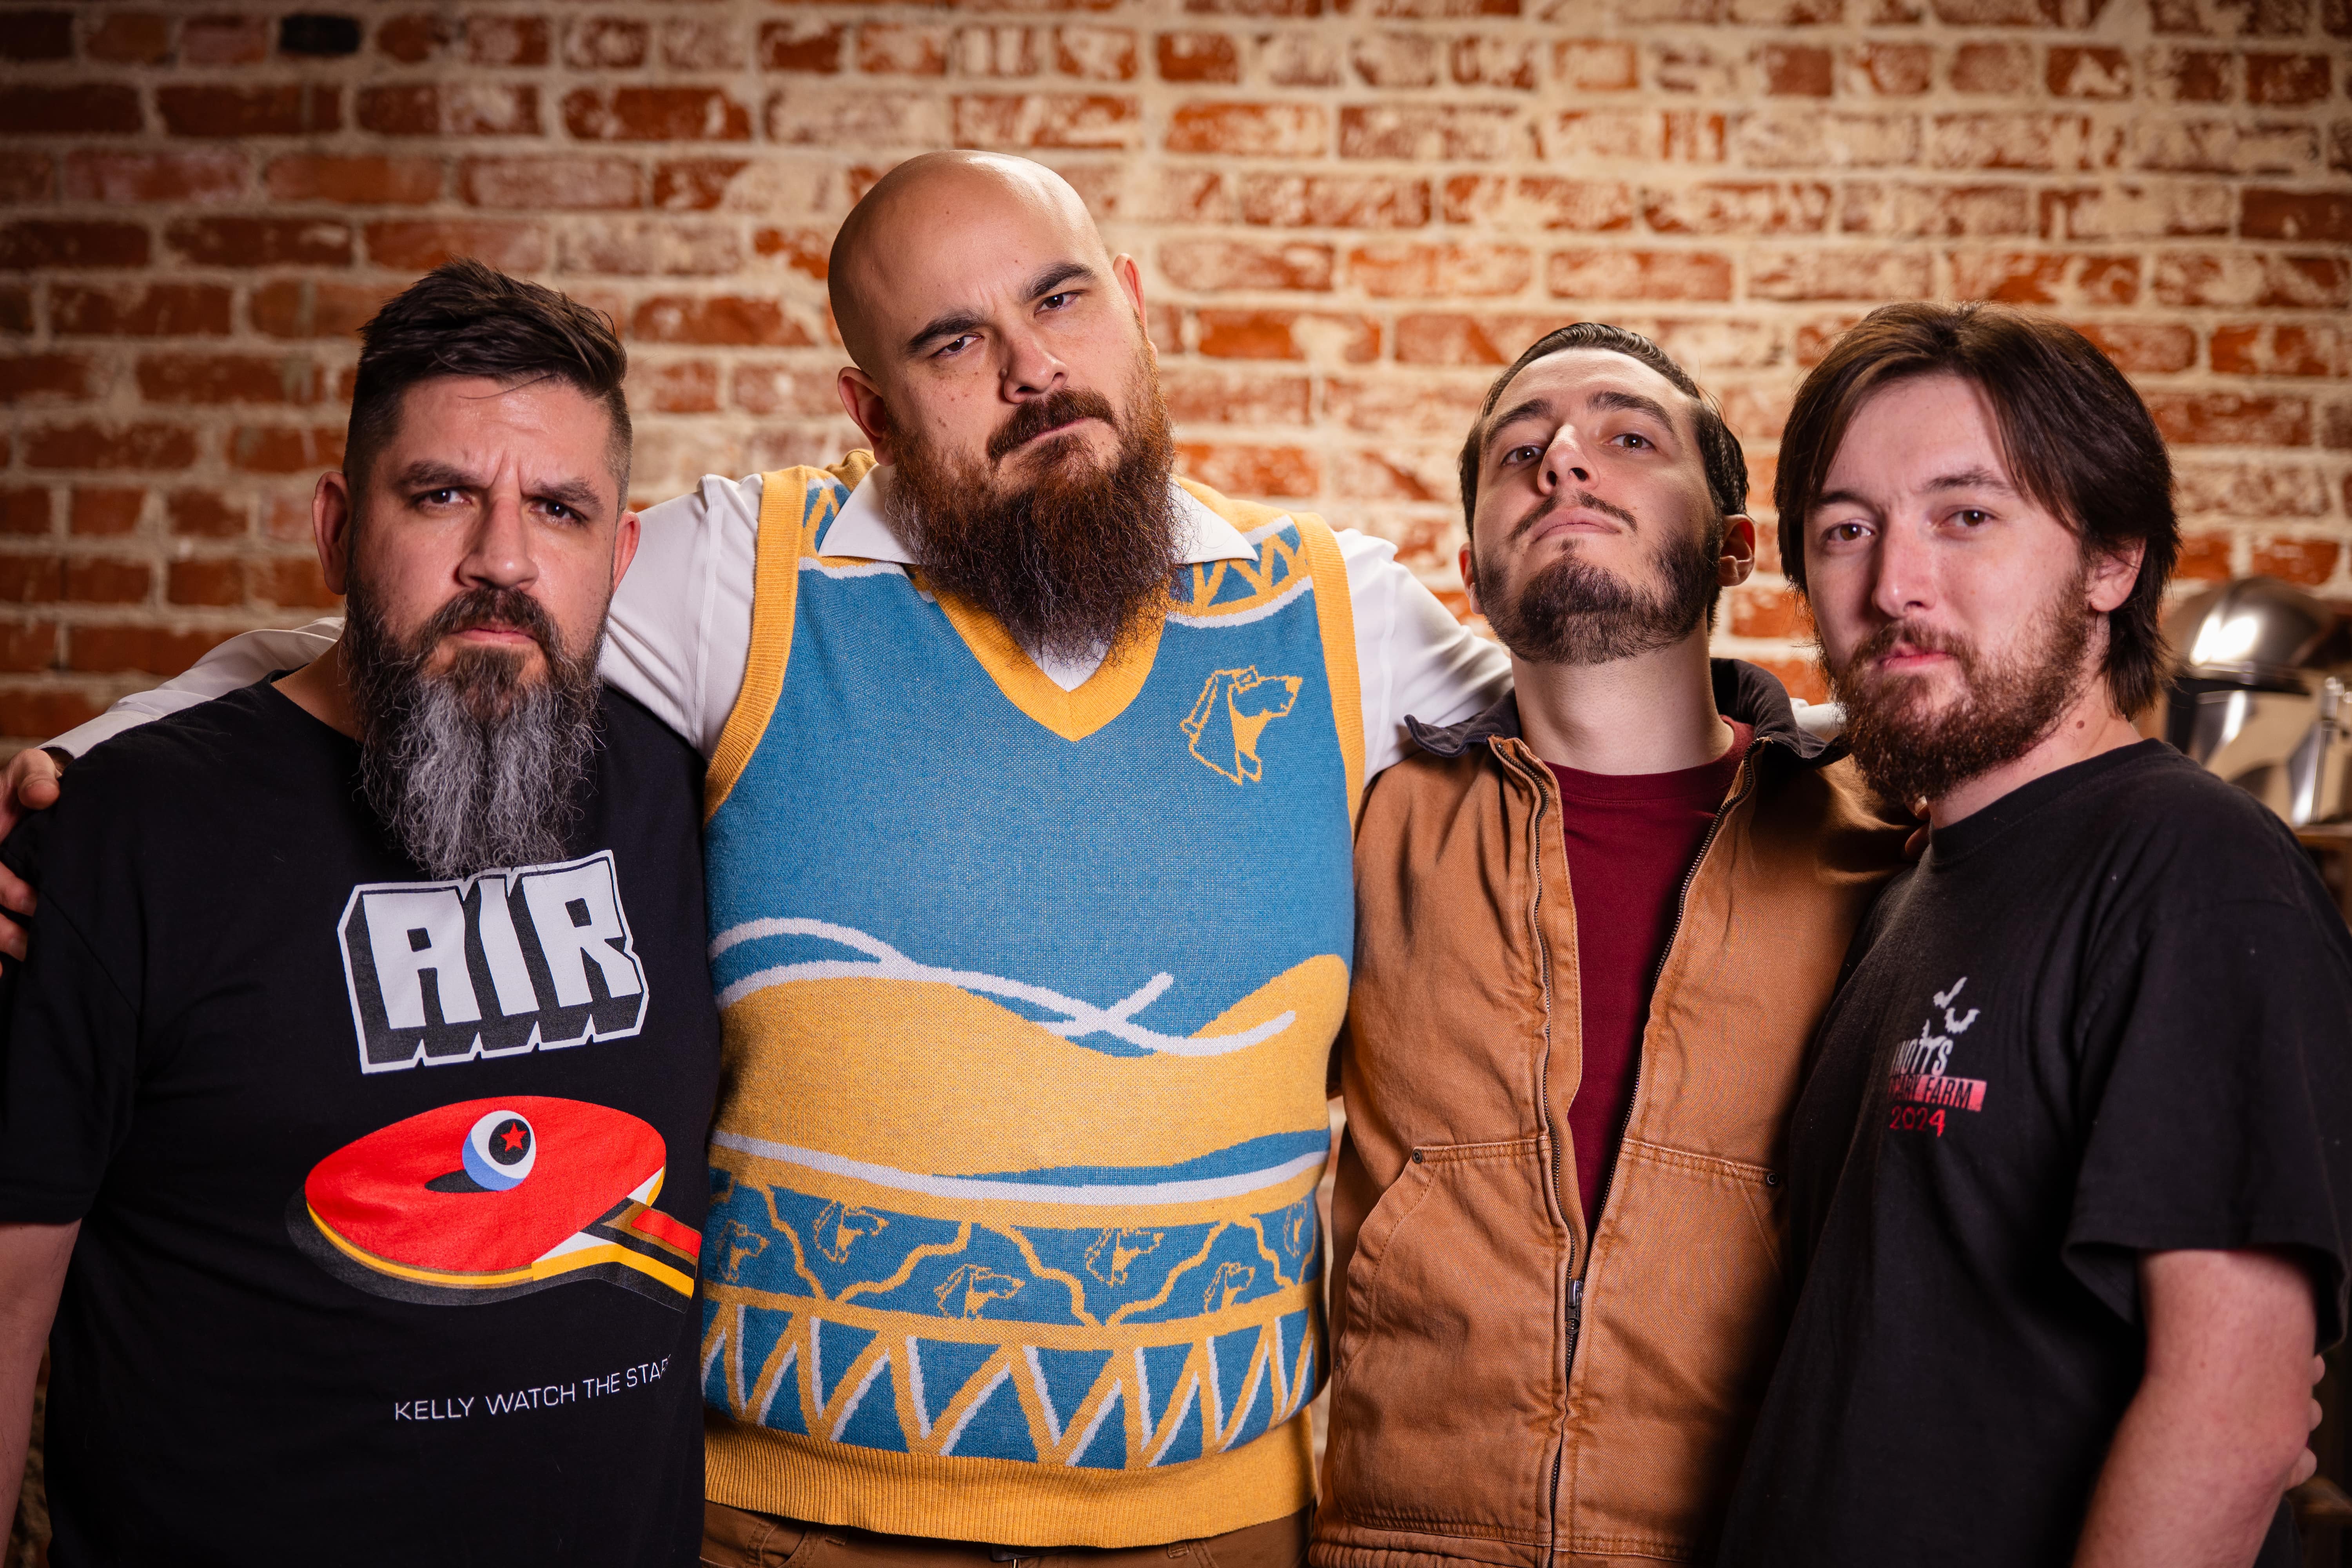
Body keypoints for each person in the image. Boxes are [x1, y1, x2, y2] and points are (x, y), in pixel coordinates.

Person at [5, 152, 1510, 1563]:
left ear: (1131, 301)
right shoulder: (753, 571)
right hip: (783, 1522)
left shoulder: (1336, 613)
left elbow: (1584, 743)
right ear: (874, 412)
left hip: (1218, 1522)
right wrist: (80, 777)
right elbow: (453, 622)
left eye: (1060, 300)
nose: (1032, 369)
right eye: (952, 343)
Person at [0, 262, 720, 1563]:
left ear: (620, 559)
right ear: (338, 529)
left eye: (559, 509)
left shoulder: (689, 787)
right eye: (441, 495)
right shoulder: (130, 829)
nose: (502, 560)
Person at [1715, 301, 2352, 1567]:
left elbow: (2237, 1414)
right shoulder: (1908, 893)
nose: (1894, 585)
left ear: (2111, 561)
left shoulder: (2197, 872)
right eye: (1847, 530)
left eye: (1966, 516)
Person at [1312, 324, 1908, 1568]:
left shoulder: (1881, 847)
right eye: (1520, 450)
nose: (1565, 461)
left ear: (1736, 547)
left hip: (1750, 1538)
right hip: (1401, 1543)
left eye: (1629, 438)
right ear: (1473, 567)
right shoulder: (1373, 828)